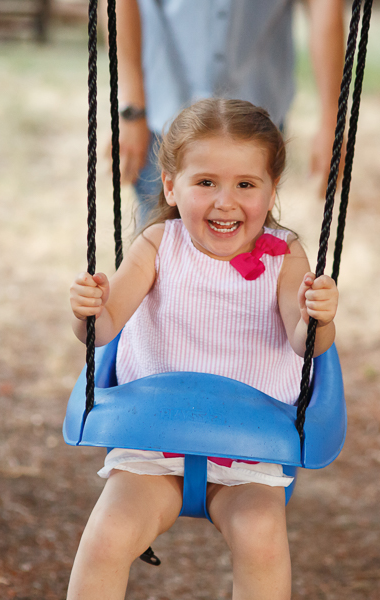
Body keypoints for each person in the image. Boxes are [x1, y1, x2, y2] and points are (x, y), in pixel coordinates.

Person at [67, 98, 339, 600]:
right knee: (106, 537)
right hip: (152, 447)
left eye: (246, 184)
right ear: (171, 184)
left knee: (261, 538)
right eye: (206, 182)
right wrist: (89, 310)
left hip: (250, 454)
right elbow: (102, 331)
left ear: (271, 188)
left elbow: (308, 346)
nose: (225, 201)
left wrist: (316, 316)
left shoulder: (285, 255)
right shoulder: (156, 244)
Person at [114, 0, 345, 227]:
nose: (224, 203)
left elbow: (324, 6)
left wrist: (331, 120)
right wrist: (131, 108)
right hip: (161, 104)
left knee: (248, 235)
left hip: (258, 106)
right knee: (158, 235)